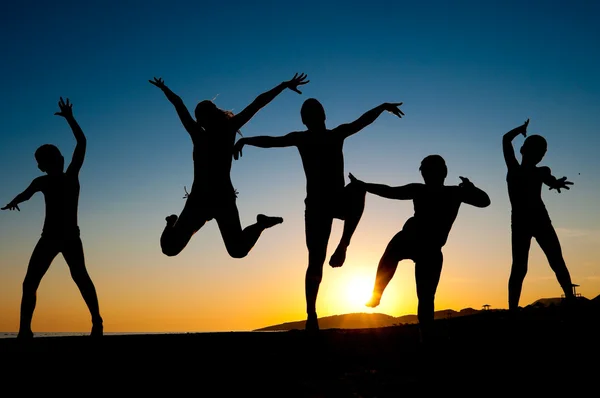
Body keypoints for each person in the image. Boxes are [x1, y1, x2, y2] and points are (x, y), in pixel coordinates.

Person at [233, 98, 404, 331]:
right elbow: (273, 141)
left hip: (333, 200)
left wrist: (382, 107)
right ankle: (311, 313)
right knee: (315, 261)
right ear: (311, 119)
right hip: (316, 206)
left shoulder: (331, 135)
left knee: (357, 188)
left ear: (320, 116)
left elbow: (362, 121)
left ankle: (343, 244)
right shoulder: (308, 138)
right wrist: (247, 140)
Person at [149, 73, 308, 258]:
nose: (199, 122)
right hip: (199, 199)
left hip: (223, 198)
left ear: (212, 114)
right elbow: (179, 105)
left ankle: (261, 224)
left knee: (238, 250)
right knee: (169, 248)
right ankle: (171, 223)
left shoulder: (228, 128)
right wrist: (164, 88)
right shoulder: (198, 134)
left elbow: (258, 103)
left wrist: (283, 85)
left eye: (201, 117)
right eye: (198, 119)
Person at [351, 155, 490, 342]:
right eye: (424, 172)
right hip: (411, 237)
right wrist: (364, 185)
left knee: (425, 297)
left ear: (442, 173)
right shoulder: (420, 189)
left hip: (431, 248)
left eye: (429, 171)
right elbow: (391, 191)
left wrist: (471, 188)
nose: (426, 175)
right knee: (392, 252)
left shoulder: (455, 193)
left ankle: (426, 338)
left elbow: (484, 201)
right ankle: (377, 294)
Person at [2, 97, 103, 339]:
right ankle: (24, 329)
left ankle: (97, 321)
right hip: (50, 238)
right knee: (31, 283)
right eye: (54, 157)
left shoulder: (70, 176)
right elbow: (25, 194)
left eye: (57, 156)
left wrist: (70, 119)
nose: (60, 159)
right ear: (44, 165)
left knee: (79, 277)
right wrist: (14, 202)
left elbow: (82, 142)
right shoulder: (44, 181)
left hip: (68, 237)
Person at [502, 119, 575, 311]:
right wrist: (521, 129)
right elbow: (506, 140)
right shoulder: (515, 169)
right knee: (521, 266)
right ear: (526, 150)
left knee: (554, 260)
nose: (542, 154)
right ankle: (512, 309)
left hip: (537, 220)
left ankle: (569, 298)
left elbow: (549, 180)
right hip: (523, 222)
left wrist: (555, 183)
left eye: (543, 151)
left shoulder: (538, 171)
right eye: (540, 150)